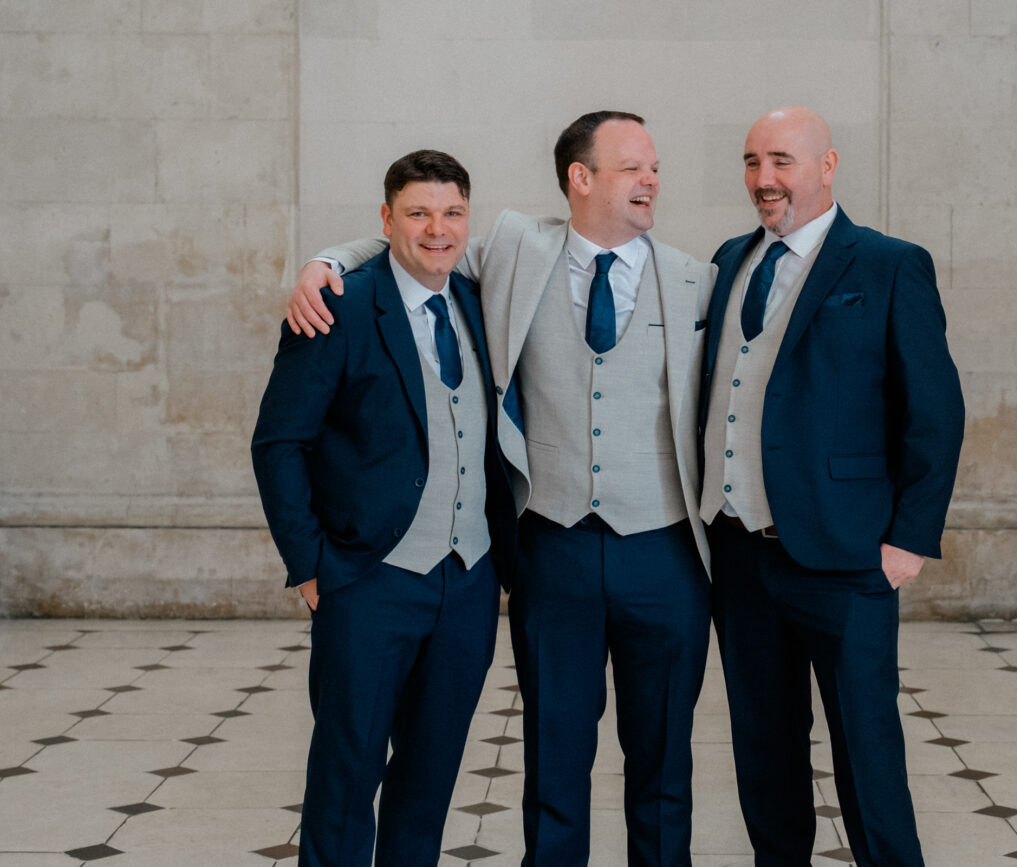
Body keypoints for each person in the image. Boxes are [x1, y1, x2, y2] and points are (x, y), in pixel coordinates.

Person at [285, 112, 714, 867]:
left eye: (655, 168)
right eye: (634, 167)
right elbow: (417, 246)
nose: (652, 180)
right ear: (581, 179)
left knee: (663, 765)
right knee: (553, 762)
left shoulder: (697, 278)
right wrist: (324, 261)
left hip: (666, 553)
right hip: (553, 547)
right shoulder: (519, 249)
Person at [699, 107, 964, 866]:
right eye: (752, 162)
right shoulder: (728, 259)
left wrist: (909, 539)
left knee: (867, 753)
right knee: (764, 750)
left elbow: (935, 413)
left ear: (828, 164)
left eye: (781, 160)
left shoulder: (887, 264)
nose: (763, 180)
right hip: (741, 553)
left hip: (847, 556)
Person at [251, 149, 516, 866]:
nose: (438, 229)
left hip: (465, 583)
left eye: (453, 212)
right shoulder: (338, 303)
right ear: (386, 219)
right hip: (367, 580)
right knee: (347, 776)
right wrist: (310, 566)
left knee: (429, 781)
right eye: (419, 213)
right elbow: (278, 442)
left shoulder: (474, 298)